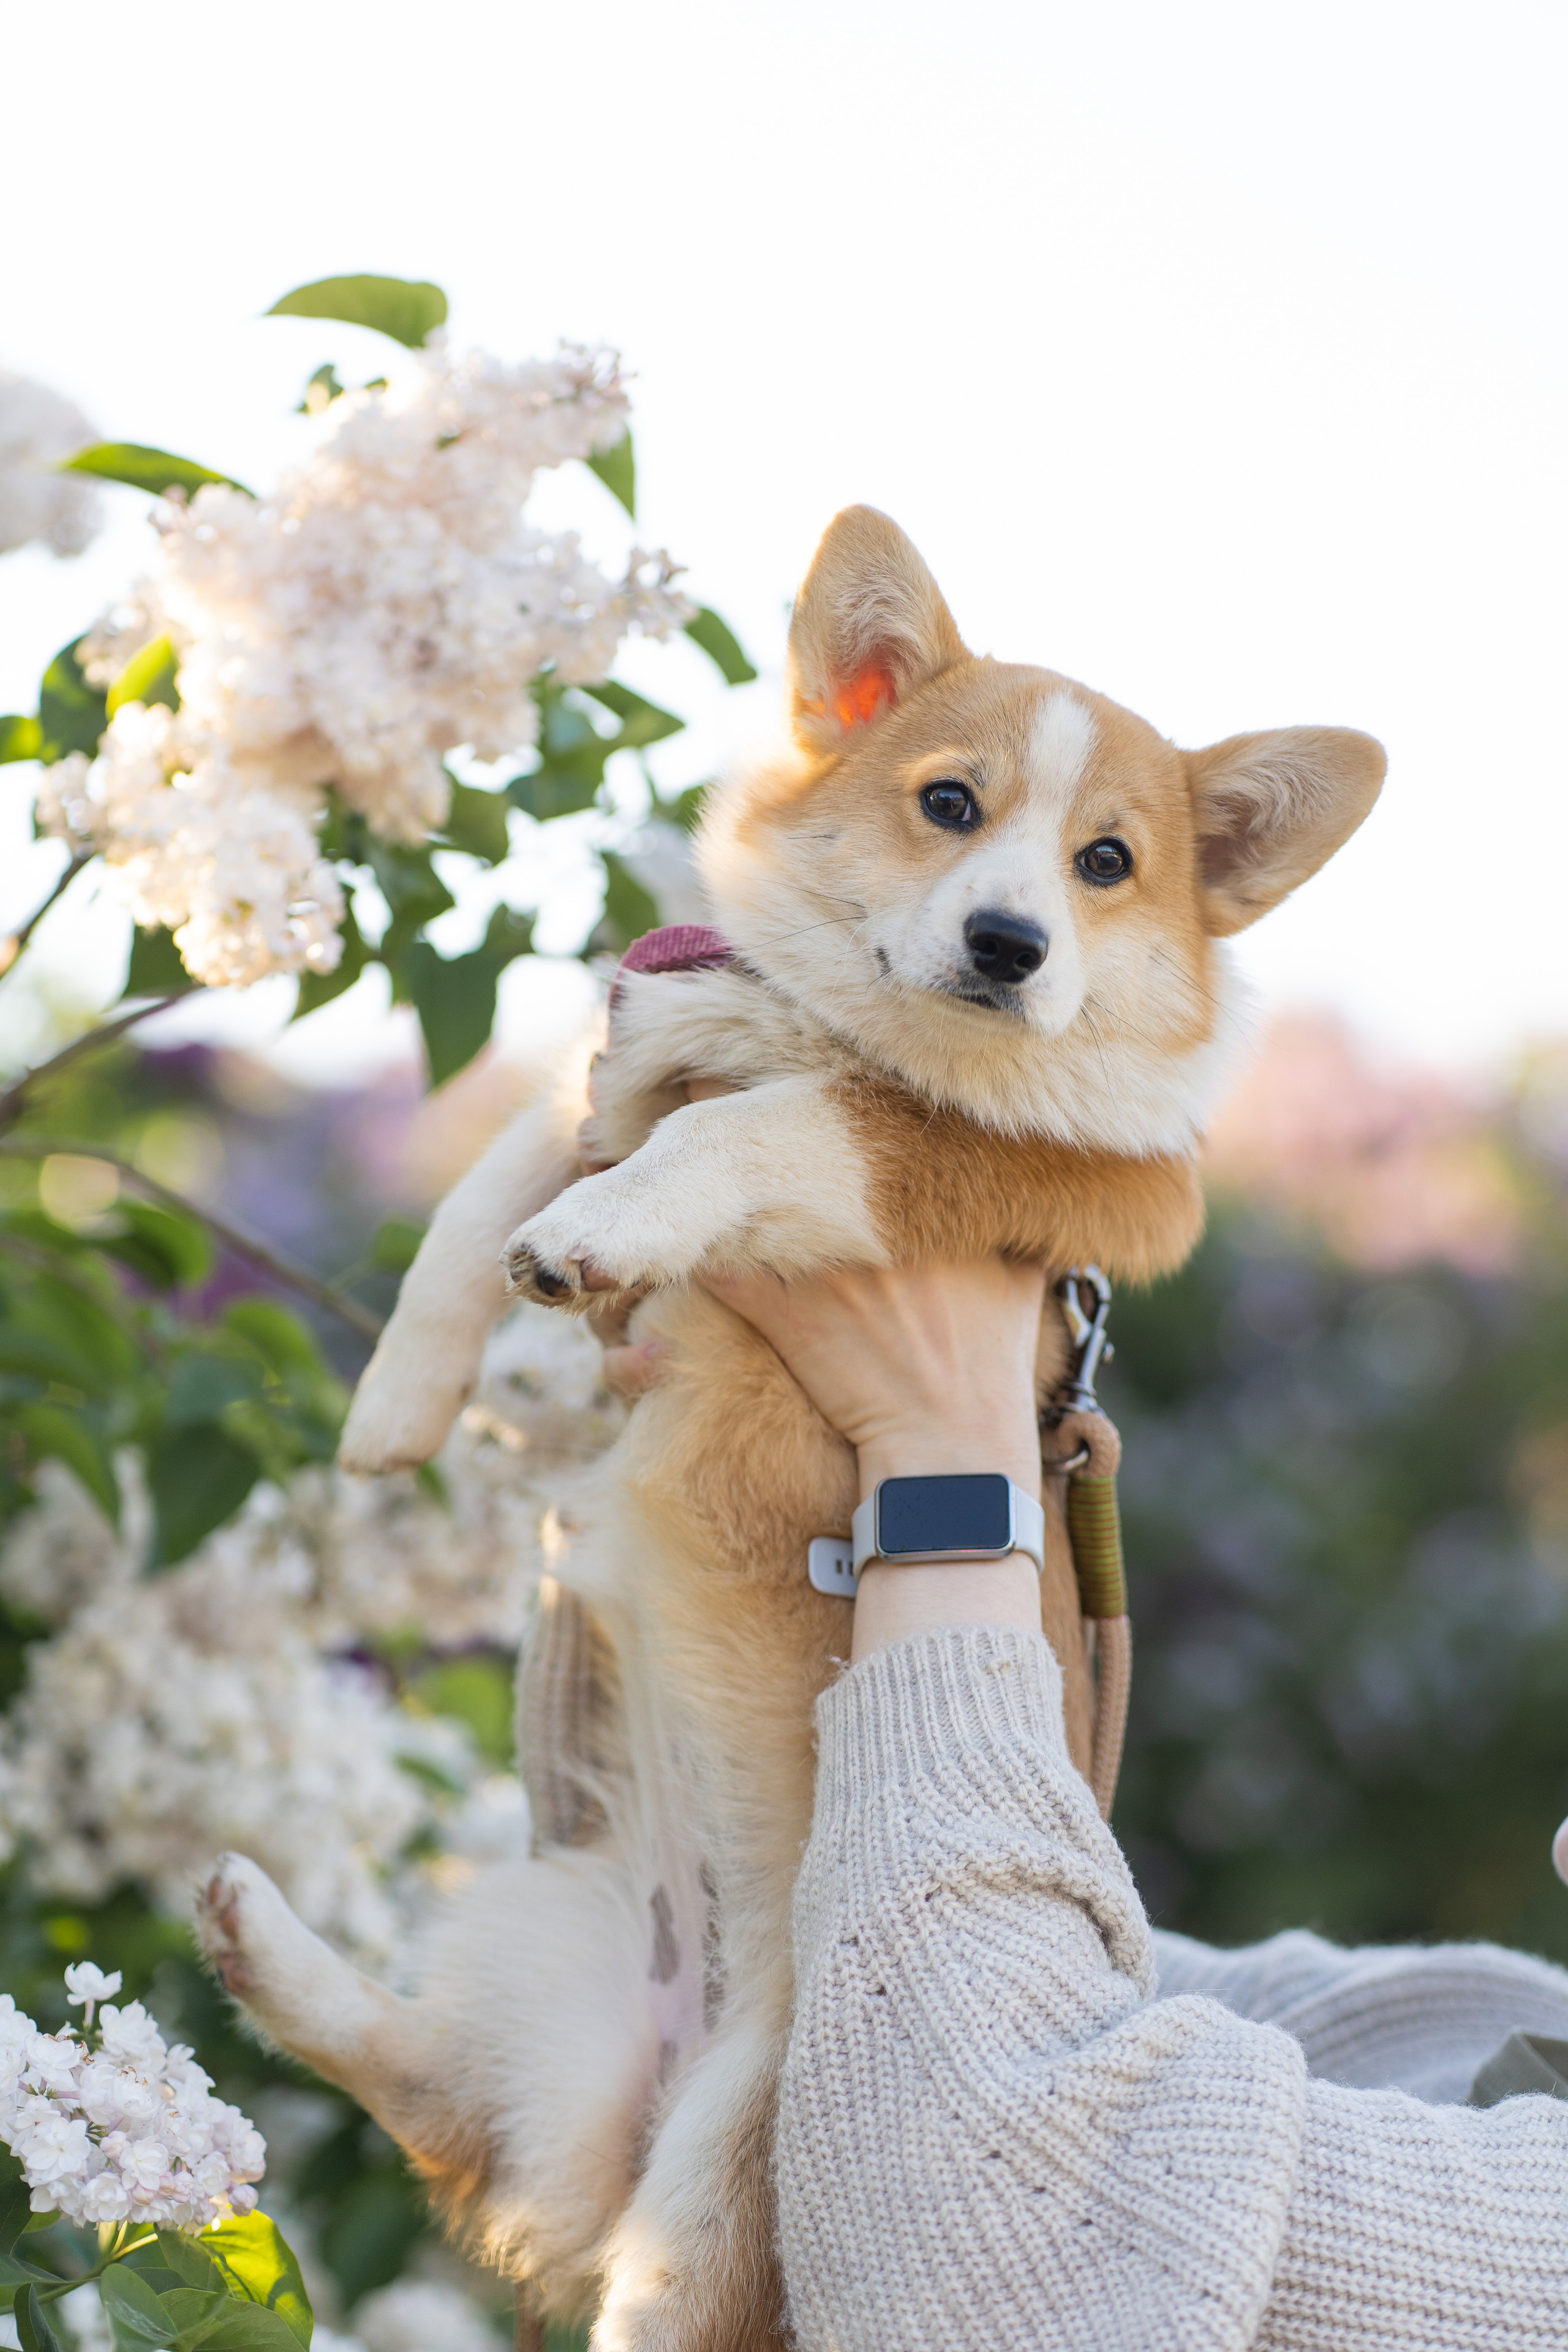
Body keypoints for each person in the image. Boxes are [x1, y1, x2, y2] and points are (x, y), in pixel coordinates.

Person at [607, 1257, 1568, 2351]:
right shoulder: (1480, 2018)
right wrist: (732, 1442)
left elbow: (989, 2227)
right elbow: (869, 1970)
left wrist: (947, 1460)